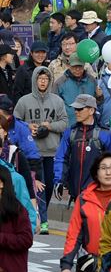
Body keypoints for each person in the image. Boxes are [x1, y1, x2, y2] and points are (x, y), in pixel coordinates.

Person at [14, 66, 68, 234]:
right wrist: (28, 126)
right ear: (35, 80)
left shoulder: (57, 101)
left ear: (50, 81)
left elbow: (64, 123)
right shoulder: (24, 101)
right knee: (38, 187)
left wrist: (48, 126)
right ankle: (43, 221)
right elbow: (14, 121)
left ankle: (41, 215)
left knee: (50, 185)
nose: (43, 81)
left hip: (52, 151)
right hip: (32, 152)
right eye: (40, 78)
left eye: (46, 79)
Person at [53, 94, 111, 201]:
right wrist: (59, 180)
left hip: (98, 194)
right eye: (75, 109)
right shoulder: (70, 133)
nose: (76, 112)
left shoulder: (105, 134)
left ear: (91, 110)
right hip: (75, 194)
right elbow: (61, 158)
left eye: (80, 109)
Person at [54, 52, 101, 125]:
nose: (77, 69)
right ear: (69, 66)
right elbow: (55, 106)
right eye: (74, 67)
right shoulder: (60, 83)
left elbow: (97, 104)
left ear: (84, 66)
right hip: (69, 126)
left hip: (89, 127)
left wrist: (100, 96)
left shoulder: (92, 80)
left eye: (80, 66)